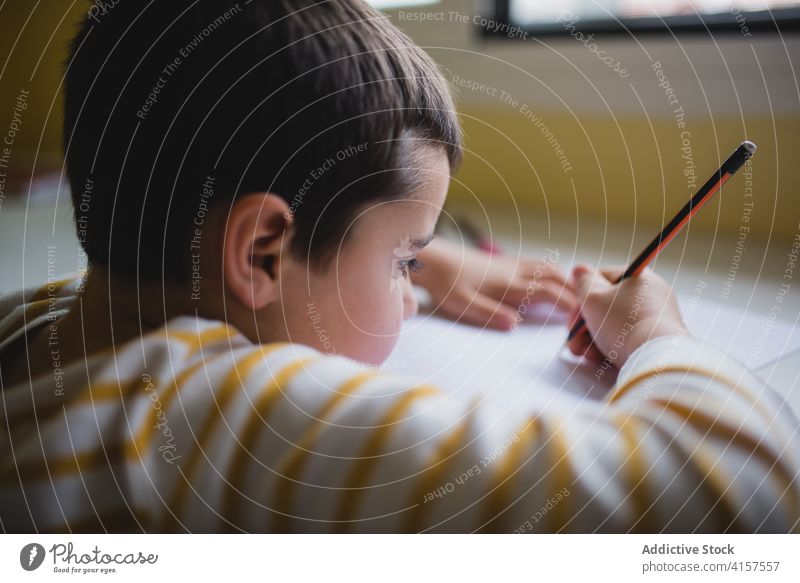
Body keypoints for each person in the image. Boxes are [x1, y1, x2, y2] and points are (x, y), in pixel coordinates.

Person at [0, 0, 797, 533]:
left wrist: (422, 260)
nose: (411, 295)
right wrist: (657, 332)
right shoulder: (224, 422)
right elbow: (742, 488)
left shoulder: (46, 327)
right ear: (260, 252)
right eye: (402, 261)